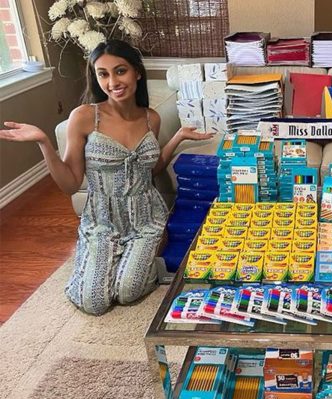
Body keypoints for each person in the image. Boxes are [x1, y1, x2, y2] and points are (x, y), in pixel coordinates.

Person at [0, 39, 214, 315]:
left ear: (137, 72)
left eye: (120, 71)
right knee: (94, 302)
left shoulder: (151, 118)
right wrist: (43, 142)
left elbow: (151, 169)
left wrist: (178, 137)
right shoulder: (86, 117)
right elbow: (70, 183)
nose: (113, 81)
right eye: (103, 74)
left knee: (127, 292)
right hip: (102, 220)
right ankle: (95, 257)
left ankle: (142, 255)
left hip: (146, 218)